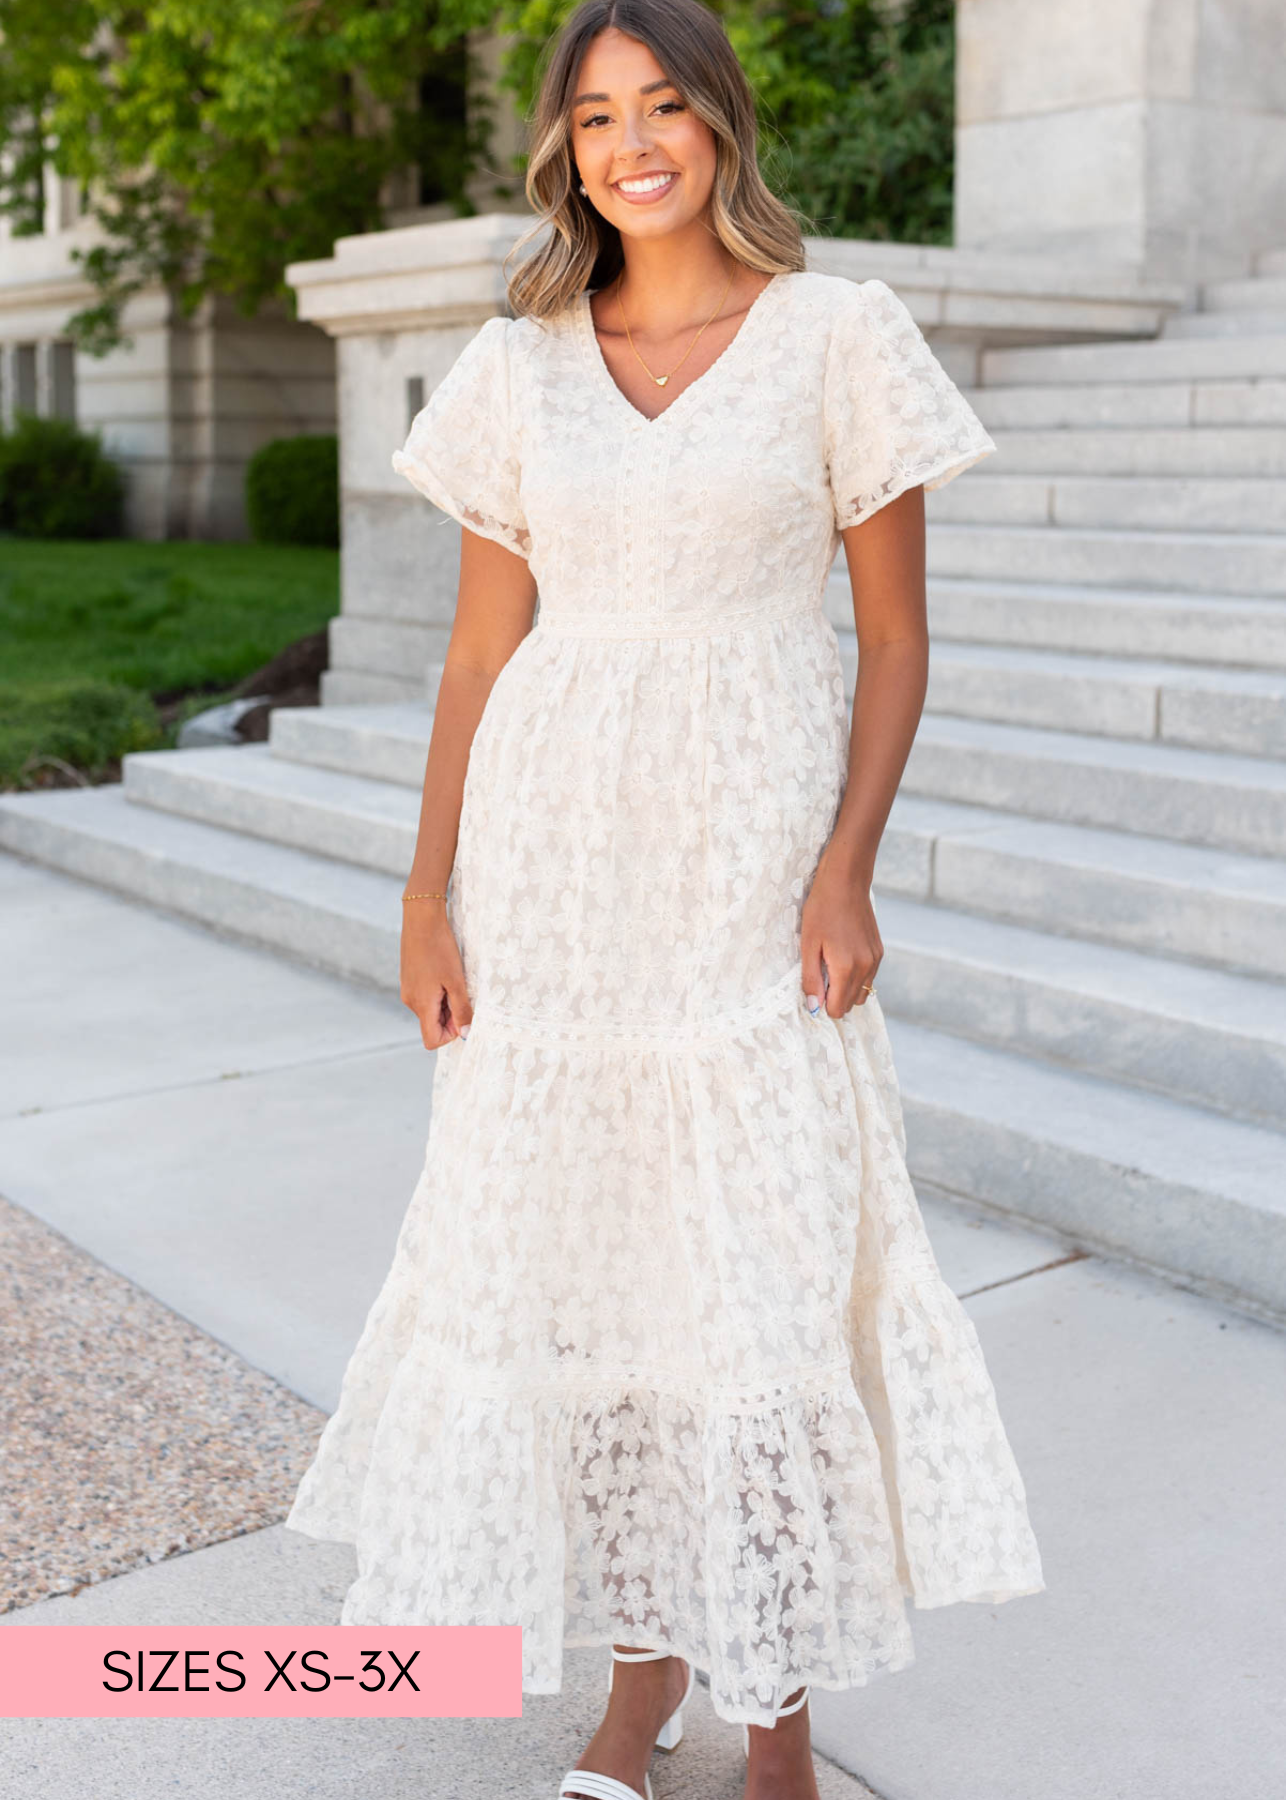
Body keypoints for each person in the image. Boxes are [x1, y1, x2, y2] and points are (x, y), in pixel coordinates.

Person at [285, 3, 1045, 1797]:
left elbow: (894, 636)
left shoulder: (838, 337)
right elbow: (479, 657)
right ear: (563, 146)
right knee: (601, 1281)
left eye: (665, 107)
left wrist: (845, 866)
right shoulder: (521, 361)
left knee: (756, 1278)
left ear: (718, 125)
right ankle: (641, 1688)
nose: (634, 142)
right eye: (597, 113)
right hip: (555, 869)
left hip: (750, 862)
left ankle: (775, 1716)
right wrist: (426, 896)